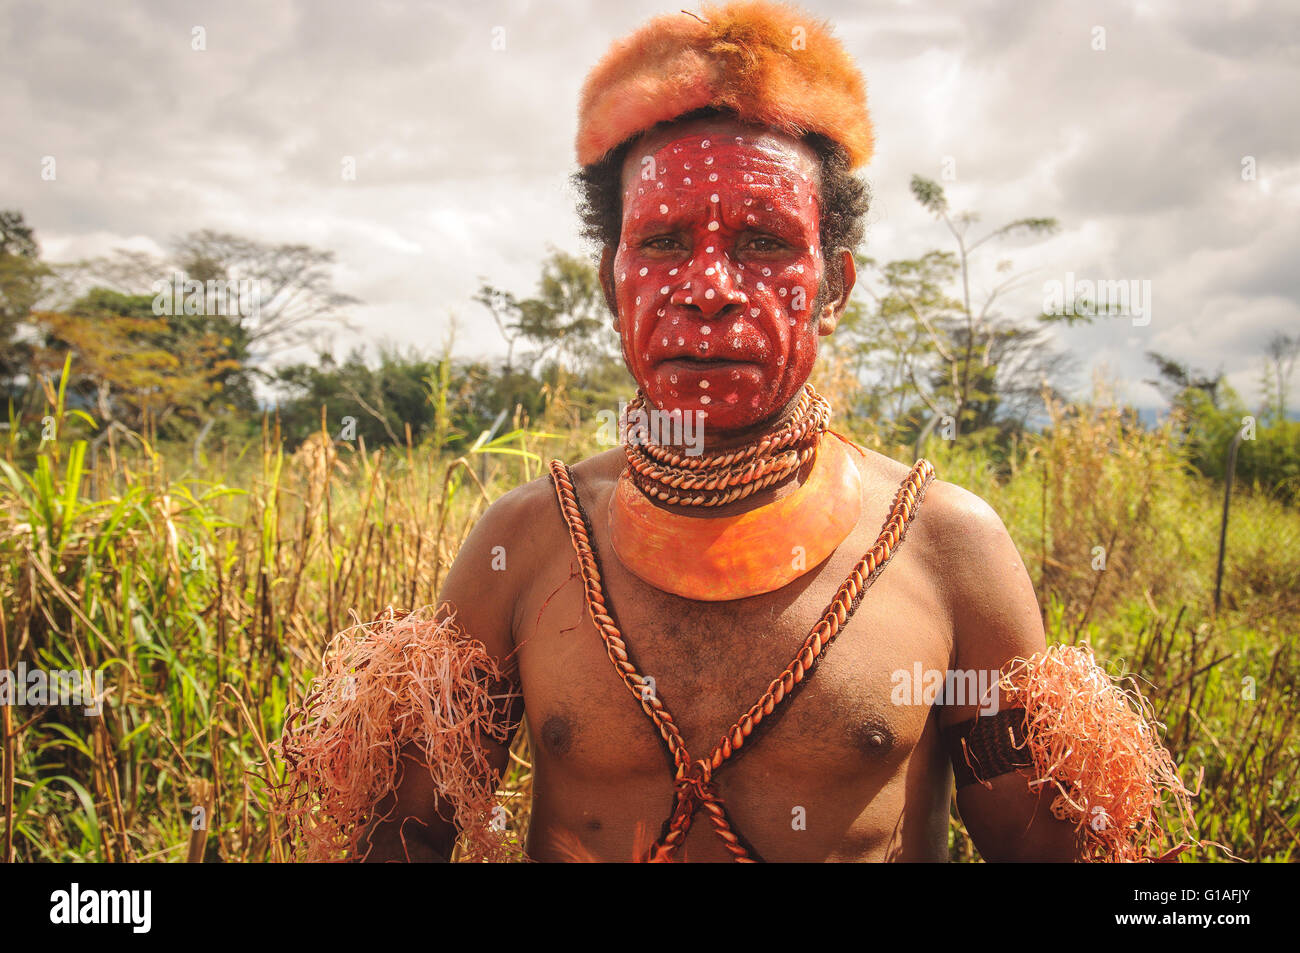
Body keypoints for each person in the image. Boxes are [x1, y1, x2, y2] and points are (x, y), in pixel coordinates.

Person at [279, 0, 1193, 864]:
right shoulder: (525, 544)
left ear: (834, 286)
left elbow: (1056, 853)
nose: (710, 285)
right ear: (612, 280)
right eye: (666, 242)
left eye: (761, 242)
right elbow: (396, 838)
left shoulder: (949, 548)